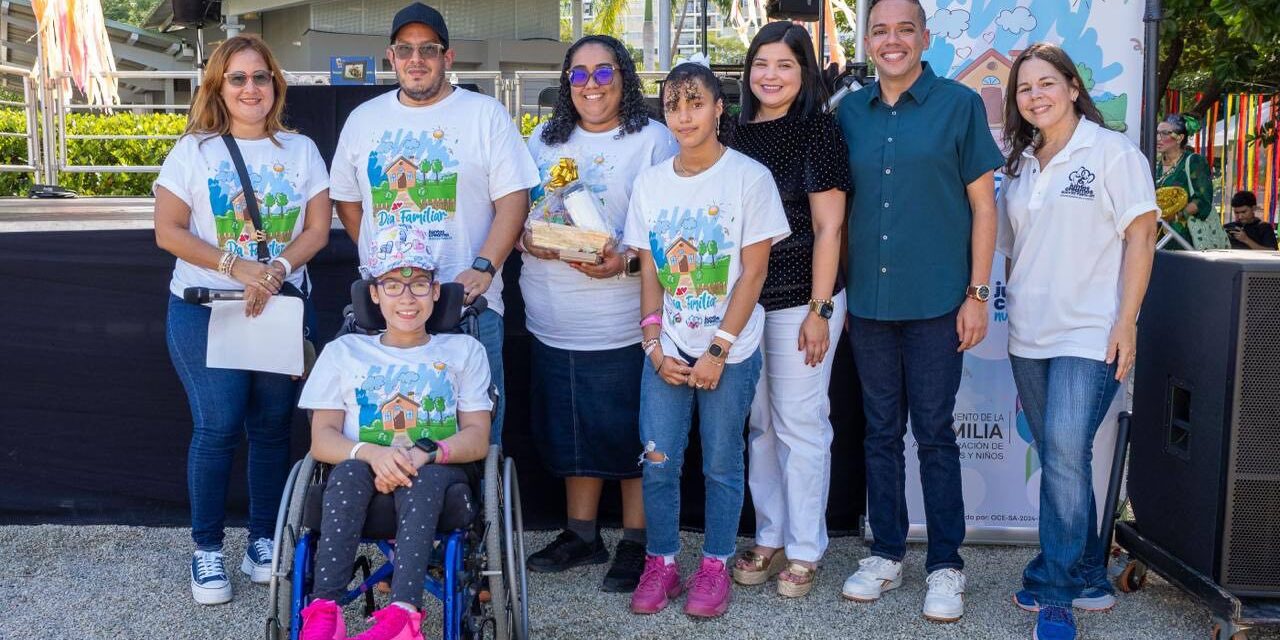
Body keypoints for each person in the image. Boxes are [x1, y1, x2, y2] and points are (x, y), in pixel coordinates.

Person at [834, 0, 1002, 622]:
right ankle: (885, 552)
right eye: (881, 30)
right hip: (870, 306)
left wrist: (977, 294)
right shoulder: (848, 111)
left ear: (925, 38)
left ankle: (946, 564)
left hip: (938, 302)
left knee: (933, 434)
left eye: (905, 29)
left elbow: (985, 208)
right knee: (879, 434)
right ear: (869, 40)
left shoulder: (959, 106)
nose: (893, 40)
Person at [153, 34, 331, 606]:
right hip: (206, 309)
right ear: (219, 88)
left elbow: (317, 230)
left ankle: (262, 539)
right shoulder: (194, 152)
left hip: (278, 308)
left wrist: (273, 271)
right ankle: (206, 548)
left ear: (275, 84)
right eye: (238, 79)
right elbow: (169, 231)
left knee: (274, 427)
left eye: (260, 77)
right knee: (219, 425)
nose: (251, 88)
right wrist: (239, 266)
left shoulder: (300, 150)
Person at [996, 43, 1158, 640]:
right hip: (1027, 334)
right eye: (1023, 89)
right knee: (1065, 458)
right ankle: (1089, 573)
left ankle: (1056, 592)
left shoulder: (1112, 152)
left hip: (1091, 331)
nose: (1035, 96)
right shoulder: (1021, 164)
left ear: (1071, 85)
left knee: (1063, 456)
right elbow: (1015, 249)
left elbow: (1140, 240)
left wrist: (1127, 322)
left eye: (1045, 83)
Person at [623, 62, 790, 618]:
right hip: (667, 346)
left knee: (721, 462)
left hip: (731, 350)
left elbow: (754, 273)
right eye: (673, 104)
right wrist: (653, 346)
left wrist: (718, 349)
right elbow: (649, 271)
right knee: (660, 460)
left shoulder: (749, 177)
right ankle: (663, 562)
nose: (684, 115)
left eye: (696, 103)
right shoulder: (651, 183)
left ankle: (715, 563)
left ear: (720, 108)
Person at [329, 2, 539, 445]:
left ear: (448, 57)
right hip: (389, 309)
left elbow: (514, 200)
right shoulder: (363, 121)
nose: (415, 59)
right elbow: (348, 203)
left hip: (468, 307)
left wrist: (483, 268)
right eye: (404, 50)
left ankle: (475, 514)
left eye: (428, 48)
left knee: (475, 435)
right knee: (384, 431)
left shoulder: (485, 115)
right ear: (391, 58)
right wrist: (380, 261)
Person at [520, 35, 678, 592]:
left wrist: (626, 263)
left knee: (630, 434)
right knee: (571, 430)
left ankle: (636, 540)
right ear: (566, 82)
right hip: (551, 315)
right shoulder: (541, 139)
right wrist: (526, 237)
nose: (591, 85)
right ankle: (582, 535)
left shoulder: (652, 140)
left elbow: (668, 228)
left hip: (622, 320)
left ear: (624, 77)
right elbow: (521, 210)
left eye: (603, 73)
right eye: (579, 74)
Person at [295, 242, 493, 640]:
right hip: (360, 472)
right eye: (392, 286)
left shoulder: (464, 350)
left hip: (439, 472)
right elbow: (322, 439)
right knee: (349, 471)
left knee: (424, 478)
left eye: (419, 285)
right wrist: (375, 454)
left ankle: (404, 615)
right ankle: (324, 609)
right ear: (374, 294)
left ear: (437, 292)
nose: (407, 298)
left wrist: (426, 454)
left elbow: (478, 438)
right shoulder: (343, 352)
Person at [726, 21, 850, 599]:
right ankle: (771, 536)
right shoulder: (729, 132)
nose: (770, 76)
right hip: (744, 304)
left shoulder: (818, 132)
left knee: (801, 423)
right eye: (761, 64)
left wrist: (820, 309)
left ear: (804, 75)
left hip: (806, 297)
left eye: (784, 65)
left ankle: (806, 548)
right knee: (761, 425)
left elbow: (829, 226)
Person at [1154, 113, 1213, 248]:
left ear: (1180, 137)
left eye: (1165, 133)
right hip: (1157, 236)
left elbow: (1203, 200)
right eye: (1157, 133)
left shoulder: (1193, 161)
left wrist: (1175, 216)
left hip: (1185, 238)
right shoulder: (1155, 165)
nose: (1158, 138)